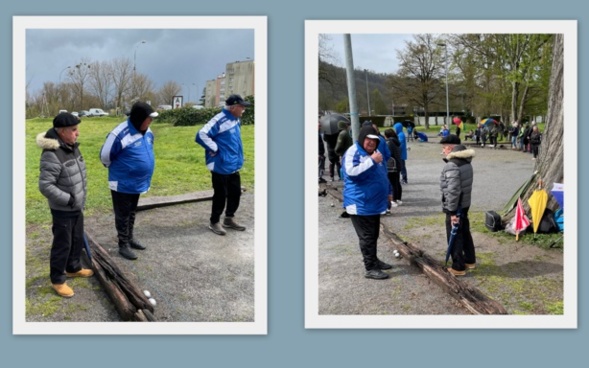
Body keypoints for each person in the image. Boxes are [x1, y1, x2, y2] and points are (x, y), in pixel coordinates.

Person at [37, 112, 93, 297]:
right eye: (74, 130)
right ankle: (58, 279)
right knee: (63, 244)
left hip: (76, 207)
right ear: (61, 132)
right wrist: (69, 200)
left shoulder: (72, 147)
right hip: (63, 209)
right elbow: (45, 186)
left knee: (76, 240)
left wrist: (78, 200)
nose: (77, 134)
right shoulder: (51, 154)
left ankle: (73, 267)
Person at [100, 101, 158, 260]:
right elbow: (105, 156)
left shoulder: (147, 131)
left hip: (137, 183)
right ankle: (123, 244)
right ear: (139, 118)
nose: (150, 122)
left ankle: (130, 238)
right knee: (122, 214)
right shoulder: (119, 134)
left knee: (132, 211)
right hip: (122, 182)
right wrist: (122, 170)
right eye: (148, 118)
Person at [342, 126, 392, 280]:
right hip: (360, 203)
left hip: (374, 203)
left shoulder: (375, 154)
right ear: (362, 138)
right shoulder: (353, 152)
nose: (371, 143)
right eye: (368, 139)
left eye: (374, 140)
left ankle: (374, 260)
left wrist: (388, 191)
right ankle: (370, 267)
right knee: (367, 236)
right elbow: (351, 172)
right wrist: (371, 161)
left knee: (374, 234)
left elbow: (382, 174)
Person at [196, 94, 249, 236]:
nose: (244, 109)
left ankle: (229, 218)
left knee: (235, 192)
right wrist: (215, 148)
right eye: (241, 106)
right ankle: (214, 221)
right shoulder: (220, 119)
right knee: (221, 194)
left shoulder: (236, 119)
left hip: (233, 163)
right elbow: (201, 135)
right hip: (220, 164)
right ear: (233, 107)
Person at [439, 134, 476, 276]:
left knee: (454, 235)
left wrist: (452, 211)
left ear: (451, 148)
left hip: (456, 206)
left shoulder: (452, 165)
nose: (443, 151)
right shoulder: (466, 162)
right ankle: (469, 260)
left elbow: (453, 190)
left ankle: (458, 267)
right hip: (464, 203)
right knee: (464, 231)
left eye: (444, 148)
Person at [384, 128, 402, 207]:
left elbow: (389, 154)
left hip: (392, 165)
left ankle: (393, 199)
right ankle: (398, 198)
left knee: (392, 183)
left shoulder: (389, 142)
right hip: (398, 163)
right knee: (396, 182)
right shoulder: (396, 141)